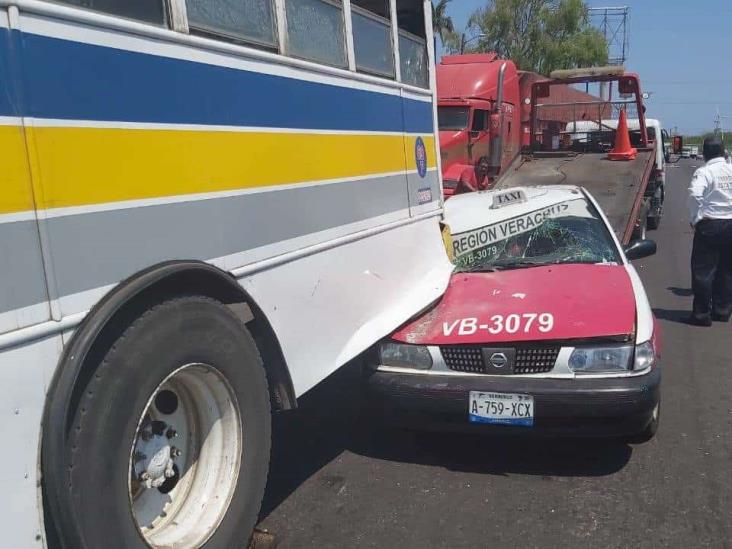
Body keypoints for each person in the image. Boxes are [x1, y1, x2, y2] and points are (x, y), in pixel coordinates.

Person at [687, 136, 732, 326]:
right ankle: (722, 311)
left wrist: (696, 218)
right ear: (723, 152)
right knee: (727, 270)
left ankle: (701, 315)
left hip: (711, 223)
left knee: (703, 272)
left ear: (704, 153)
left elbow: (694, 193)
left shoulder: (704, 172)